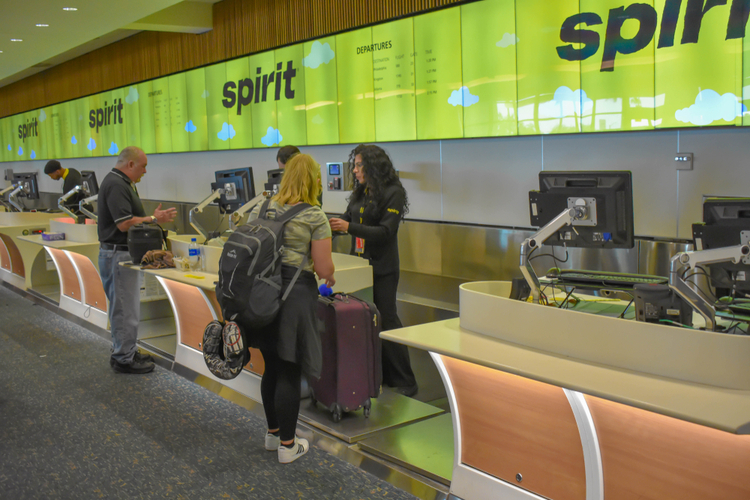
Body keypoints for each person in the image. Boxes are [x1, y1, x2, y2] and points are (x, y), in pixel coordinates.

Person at [248, 153, 335, 464]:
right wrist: (330, 274)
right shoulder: (314, 216)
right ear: (313, 180)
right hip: (294, 295)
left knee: (271, 363)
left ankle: (273, 434)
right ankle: (288, 445)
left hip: (263, 294)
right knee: (289, 367)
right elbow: (323, 266)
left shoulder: (266, 207)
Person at [329, 144, 418, 397]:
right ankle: (378, 376)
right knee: (364, 321)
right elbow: (346, 221)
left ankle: (405, 381)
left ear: (372, 166)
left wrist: (349, 228)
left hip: (383, 268)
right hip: (357, 267)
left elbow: (385, 232)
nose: (355, 170)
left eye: (359, 165)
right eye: (354, 165)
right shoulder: (360, 193)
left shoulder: (393, 192)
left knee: (386, 319)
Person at [98, 146, 177, 374]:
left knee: (124, 307)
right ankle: (124, 358)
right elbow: (123, 223)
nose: (145, 171)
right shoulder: (115, 184)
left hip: (120, 254)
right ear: (130, 164)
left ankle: (126, 350)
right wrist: (154, 218)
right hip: (117, 254)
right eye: (143, 166)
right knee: (125, 309)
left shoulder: (121, 183)